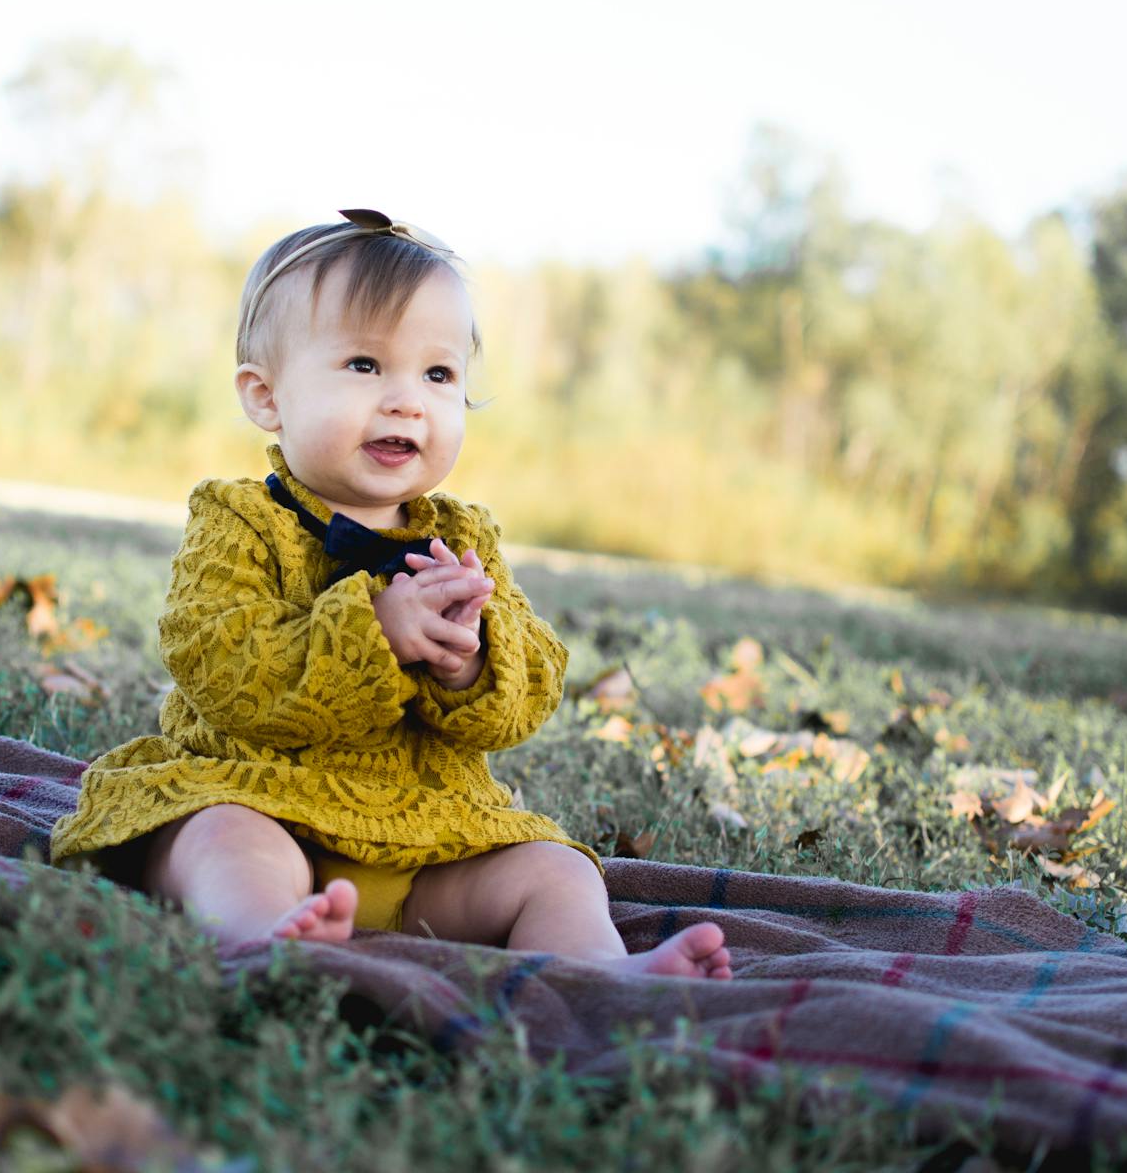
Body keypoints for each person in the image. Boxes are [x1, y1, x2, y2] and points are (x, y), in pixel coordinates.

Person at [51, 210, 731, 980]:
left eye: (438, 375)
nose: (407, 400)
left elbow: (534, 684)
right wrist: (372, 631)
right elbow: (221, 659)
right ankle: (264, 938)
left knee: (557, 870)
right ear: (267, 396)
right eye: (366, 366)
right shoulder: (238, 520)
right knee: (217, 840)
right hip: (263, 798)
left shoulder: (463, 537)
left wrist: (471, 661)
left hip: (426, 842)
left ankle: (600, 975)